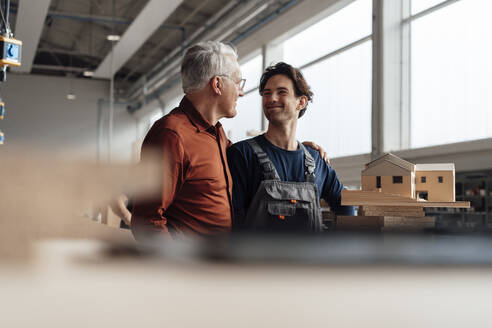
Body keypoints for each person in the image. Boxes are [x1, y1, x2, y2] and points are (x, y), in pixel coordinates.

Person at [131, 41, 245, 241]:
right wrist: (179, 268)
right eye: (237, 82)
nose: (241, 91)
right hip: (190, 268)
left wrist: (296, 148)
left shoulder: (217, 133)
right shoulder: (171, 135)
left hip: (218, 265)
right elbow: (146, 220)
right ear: (217, 84)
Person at [227, 62, 354, 232]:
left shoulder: (317, 161)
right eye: (267, 93)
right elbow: (233, 223)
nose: (272, 98)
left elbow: (345, 206)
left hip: (309, 259)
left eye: (281, 92)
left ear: (301, 102)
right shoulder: (242, 155)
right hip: (256, 259)